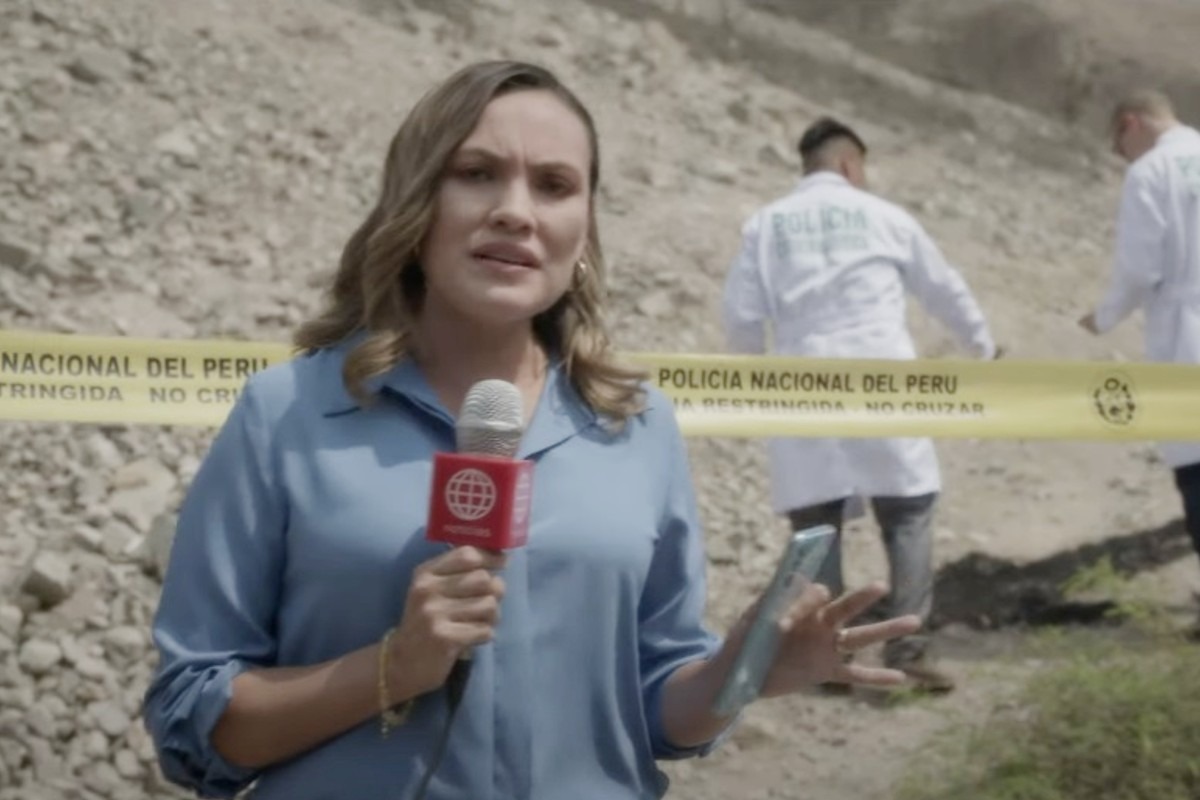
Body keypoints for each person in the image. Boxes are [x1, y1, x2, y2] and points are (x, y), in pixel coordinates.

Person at [142, 62, 919, 799]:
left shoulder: (638, 426)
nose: (516, 210)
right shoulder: (286, 412)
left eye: (554, 185)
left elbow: (654, 710)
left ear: (583, 230)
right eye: (477, 172)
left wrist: (739, 674)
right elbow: (192, 723)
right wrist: (394, 667)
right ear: (415, 204)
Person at [721, 117, 999, 694]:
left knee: (815, 525)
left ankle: (826, 660)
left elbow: (742, 317)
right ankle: (910, 650)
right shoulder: (885, 217)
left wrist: (756, 376)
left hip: (803, 384)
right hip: (882, 380)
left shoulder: (767, 225)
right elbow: (943, 287)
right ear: (851, 165)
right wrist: (982, 346)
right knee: (909, 511)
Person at [1080, 89, 1200, 577]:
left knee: (1197, 468)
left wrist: (1104, 317)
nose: (1121, 155)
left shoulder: (1151, 172)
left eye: (1118, 144)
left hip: (1187, 336)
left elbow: (1139, 268)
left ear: (1130, 123)